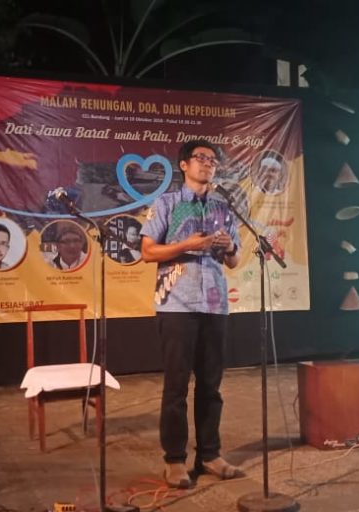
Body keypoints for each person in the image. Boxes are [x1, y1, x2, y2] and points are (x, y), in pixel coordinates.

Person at [141, 140, 244, 489]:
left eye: (213, 160)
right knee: (176, 387)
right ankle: (174, 460)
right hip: (177, 304)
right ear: (184, 165)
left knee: (211, 386)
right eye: (201, 158)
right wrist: (187, 245)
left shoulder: (223, 207)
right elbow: (147, 252)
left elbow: (234, 261)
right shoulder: (167, 203)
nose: (208, 164)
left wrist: (230, 246)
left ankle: (210, 455)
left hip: (215, 304)